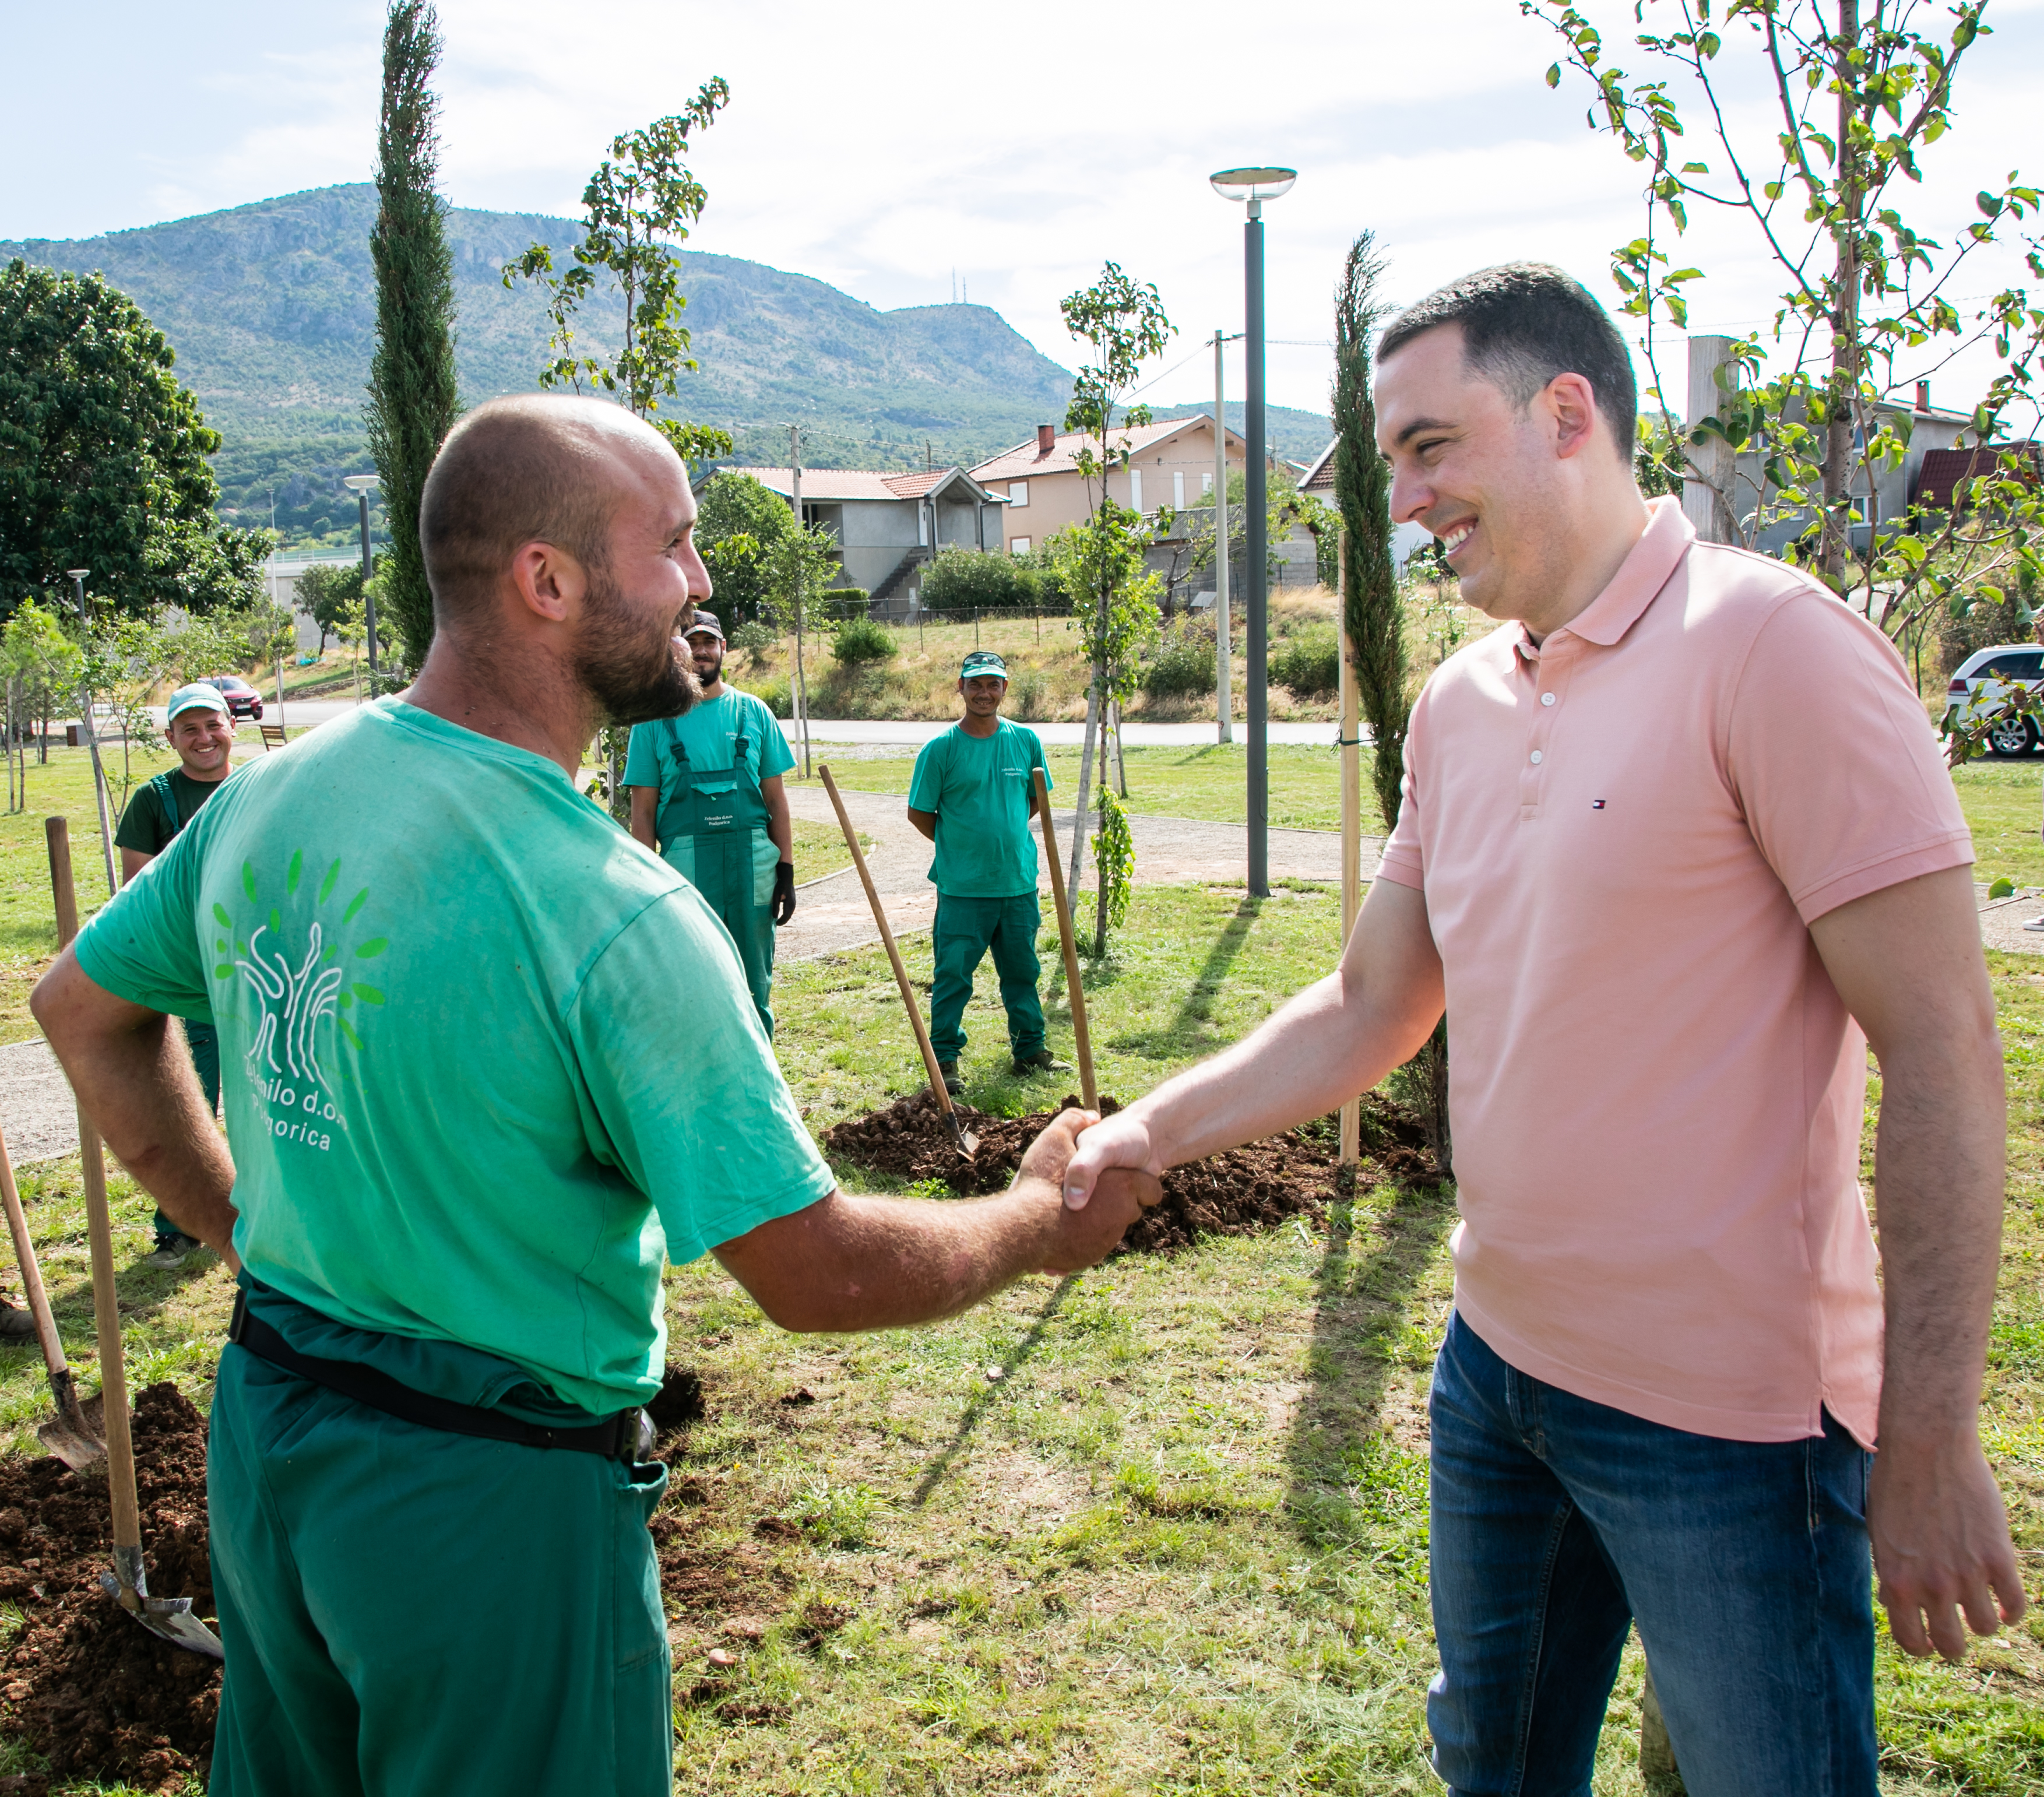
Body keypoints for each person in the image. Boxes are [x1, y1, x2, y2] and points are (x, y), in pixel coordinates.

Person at [32, 394, 1158, 1797]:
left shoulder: (271, 795)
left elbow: (79, 1007)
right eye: (674, 545)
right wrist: (1029, 1223)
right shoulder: (616, 913)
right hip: (488, 1507)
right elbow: (813, 1269)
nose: (699, 583)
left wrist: (245, 1226)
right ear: (548, 582)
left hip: (271, 1437)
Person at [1063, 264, 2028, 1792]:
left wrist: (1926, 1435)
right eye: (1393, 462)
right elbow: (1375, 1005)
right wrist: (1146, 1131)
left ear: (1564, 411)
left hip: (1734, 1432)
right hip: (1496, 1375)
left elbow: (1944, 1051)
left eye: (1431, 446)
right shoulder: (1456, 703)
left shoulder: (1775, 648)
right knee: (1492, 1769)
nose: (1407, 500)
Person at [907, 649, 1072, 1095]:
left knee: (1022, 971)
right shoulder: (940, 749)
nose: (984, 692)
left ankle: (1030, 1050)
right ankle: (944, 1059)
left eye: (993, 683)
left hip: (1017, 883)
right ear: (959, 688)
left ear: (1005, 688)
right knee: (953, 975)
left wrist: (1003, 834)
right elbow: (920, 813)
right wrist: (958, 846)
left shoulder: (1025, 741)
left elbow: (1035, 800)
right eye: (975, 683)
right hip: (962, 888)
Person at [114, 680, 239, 1267]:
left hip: (256, 967)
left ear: (231, 726)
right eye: (190, 728)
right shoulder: (155, 799)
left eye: (213, 724)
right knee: (189, 1101)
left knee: (271, 1094)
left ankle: (264, 1210)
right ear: (171, 737)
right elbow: (136, 892)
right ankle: (178, 1225)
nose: (204, 738)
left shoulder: (254, 787)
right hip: (191, 974)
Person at [624, 610, 794, 1035]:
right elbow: (642, 813)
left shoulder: (753, 712)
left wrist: (786, 869)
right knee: (692, 976)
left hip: (753, 868)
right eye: (691, 641)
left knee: (755, 982)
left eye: (709, 641)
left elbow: (776, 799)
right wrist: (644, 884)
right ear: (676, 650)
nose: (701, 650)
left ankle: (758, 1077)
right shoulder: (651, 722)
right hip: (685, 873)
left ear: (723, 648)